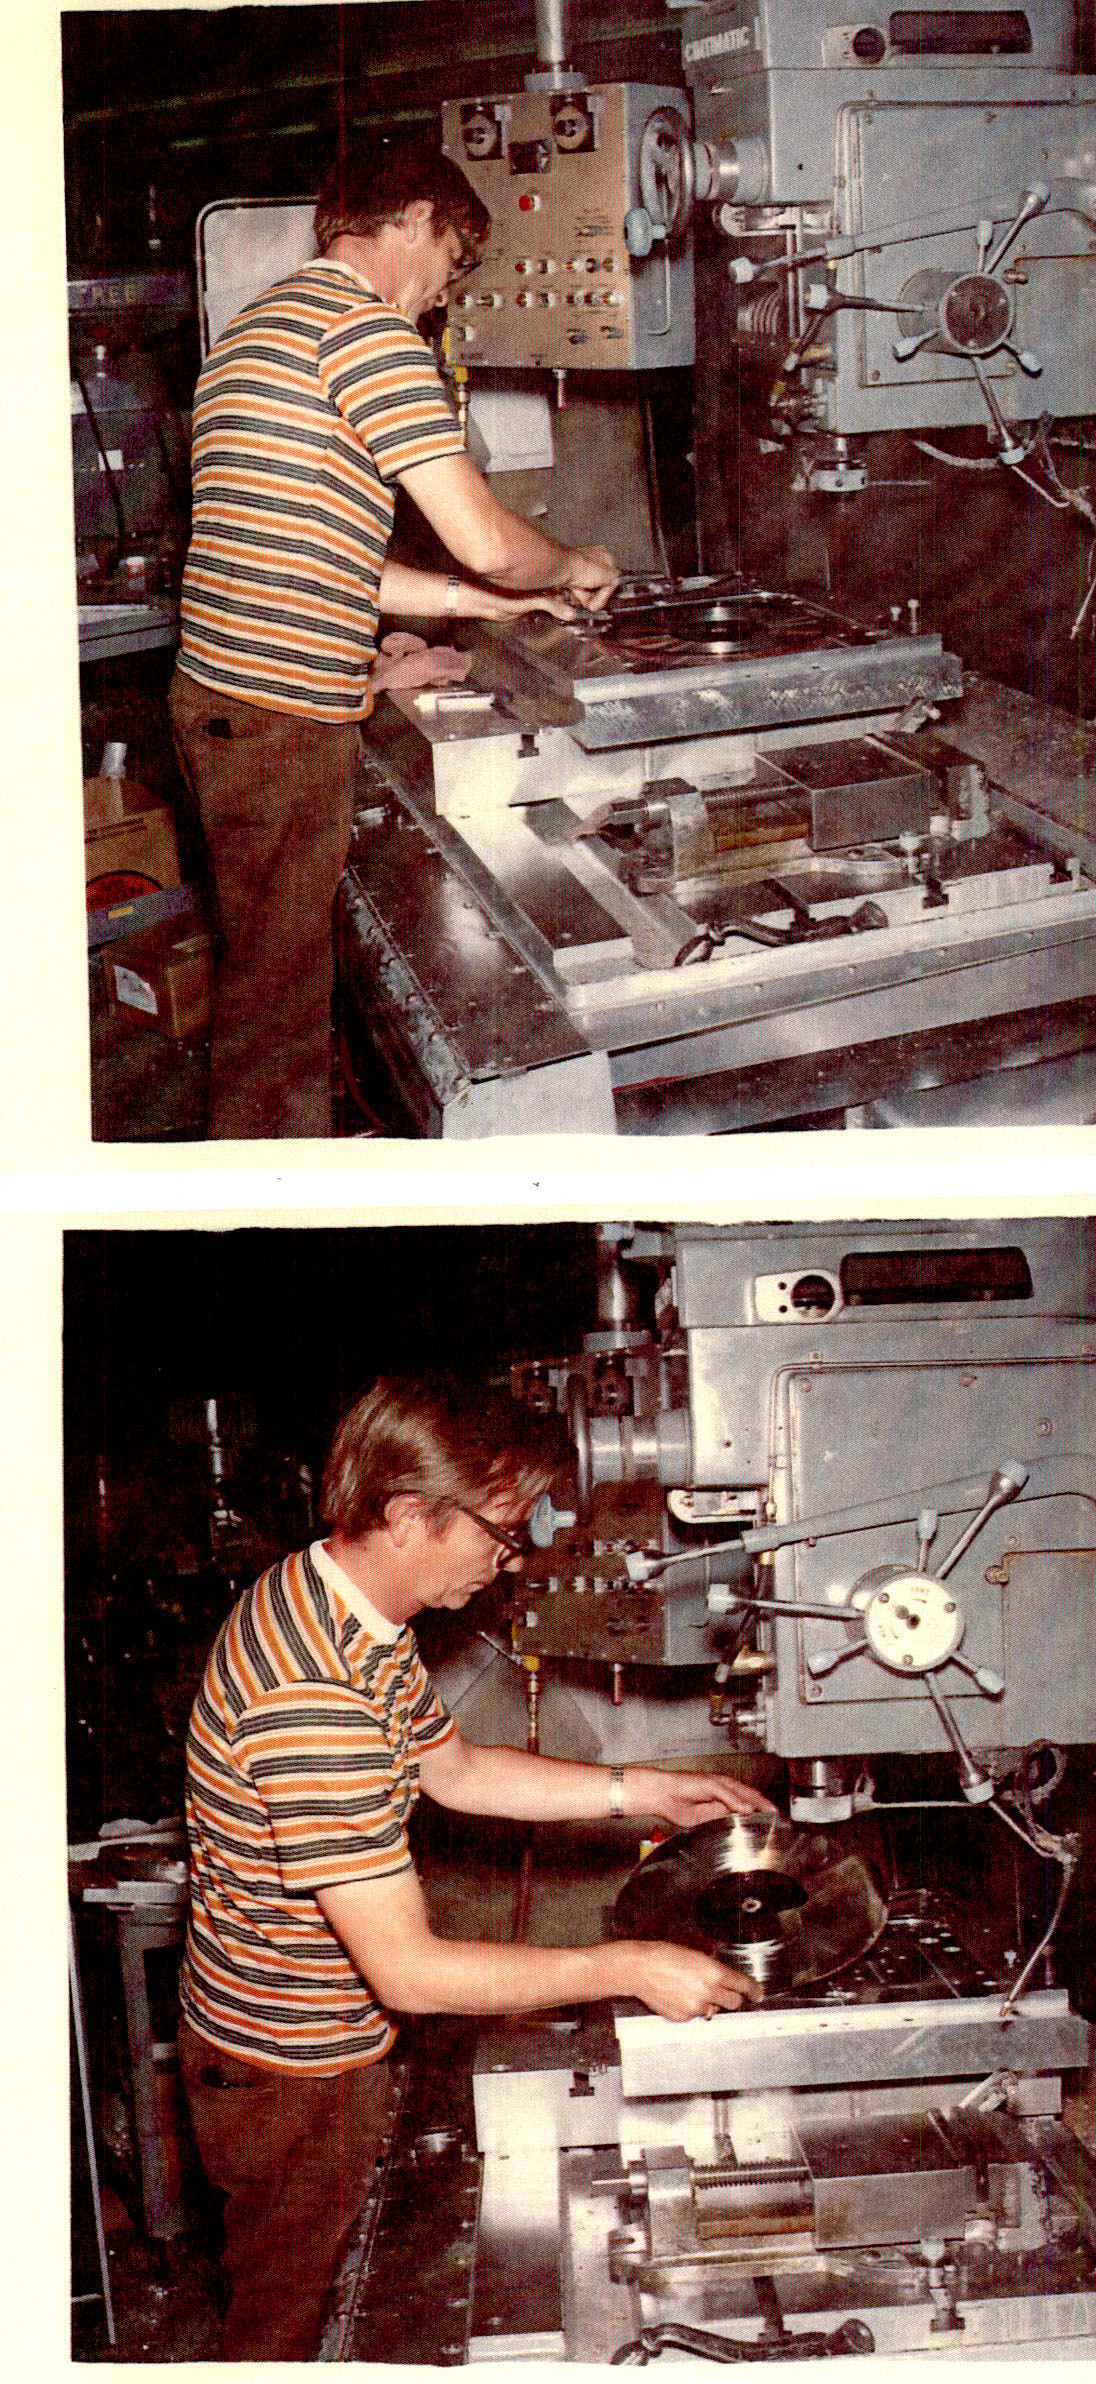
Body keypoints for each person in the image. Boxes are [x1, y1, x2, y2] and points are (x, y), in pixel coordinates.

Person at [178, 1375, 771, 2359]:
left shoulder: (347, 1609)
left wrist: (642, 1786)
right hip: (288, 2068)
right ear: (410, 1512)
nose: (514, 1554)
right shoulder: (316, 1692)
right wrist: (631, 1965)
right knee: (278, 2332)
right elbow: (410, 1971)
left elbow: (454, 1770)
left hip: (310, 2034)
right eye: (499, 1529)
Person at [168, 131, 619, 1138]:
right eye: (452, 264)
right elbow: (490, 539)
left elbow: (329, 554)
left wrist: (480, 606)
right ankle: (275, 1211)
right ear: (415, 219)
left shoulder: (261, 325)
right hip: (279, 722)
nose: (444, 296)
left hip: (223, 704)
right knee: (276, 1019)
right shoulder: (368, 335)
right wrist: (570, 564)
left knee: (270, 976)